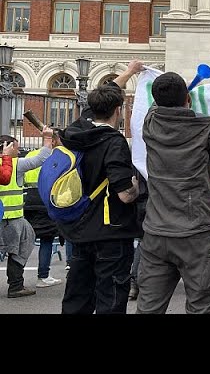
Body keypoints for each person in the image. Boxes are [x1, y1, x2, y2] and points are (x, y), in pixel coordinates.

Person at [137, 72, 210, 314]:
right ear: (188, 99)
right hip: (197, 235)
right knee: (201, 308)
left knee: (148, 308)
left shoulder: (150, 124)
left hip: (156, 232)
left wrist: (178, 96)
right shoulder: (206, 129)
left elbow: (157, 105)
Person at [57, 85, 141, 314]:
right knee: (110, 299)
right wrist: (135, 186)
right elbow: (124, 195)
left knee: (77, 297)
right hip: (111, 231)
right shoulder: (113, 141)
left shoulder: (75, 134)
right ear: (118, 110)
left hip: (79, 227)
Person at [0, 129, 54, 298]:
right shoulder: (16, 164)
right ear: (7, 147)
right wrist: (47, 138)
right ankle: (15, 285)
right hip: (12, 218)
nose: (19, 150)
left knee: (26, 238)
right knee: (22, 246)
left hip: (11, 218)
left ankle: (16, 285)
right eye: (16, 147)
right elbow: (41, 158)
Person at [23, 132, 65, 288]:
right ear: (53, 141)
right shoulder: (56, 156)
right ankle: (43, 276)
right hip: (45, 198)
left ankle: (17, 275)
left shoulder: (32, 154)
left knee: (27, 239)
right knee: (47, 238)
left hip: (29, 199)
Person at [128, 167, 148, 301]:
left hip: (138, 200)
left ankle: (134, 282)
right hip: (147, 200)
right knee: (144, 242)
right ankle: (135, 281)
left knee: (143, 242)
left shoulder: (135, 153)